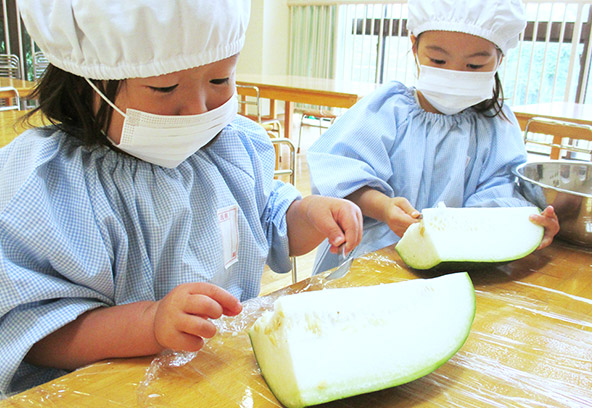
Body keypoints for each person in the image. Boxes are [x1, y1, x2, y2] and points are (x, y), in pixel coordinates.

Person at [0, 0, 362, 395]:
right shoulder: (53, 183)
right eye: (164, 88)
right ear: (86, 82)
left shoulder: (232, 148)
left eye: (220, 81)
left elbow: (267, 218)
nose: (197, 108)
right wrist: (150, 324)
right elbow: (37, 331)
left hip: (217, 380)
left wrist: (309, 215)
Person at [307, 0, 559, 275]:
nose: (454, 74)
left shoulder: (496, 125)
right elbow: (339, 177)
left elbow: (501, 193)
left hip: (461, 264)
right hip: (373, 258)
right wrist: (384, 207)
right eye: (438, 60)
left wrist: (526, 222)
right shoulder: (387, 110)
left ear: (499, 58)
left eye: (474, 65)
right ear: (414, 46)